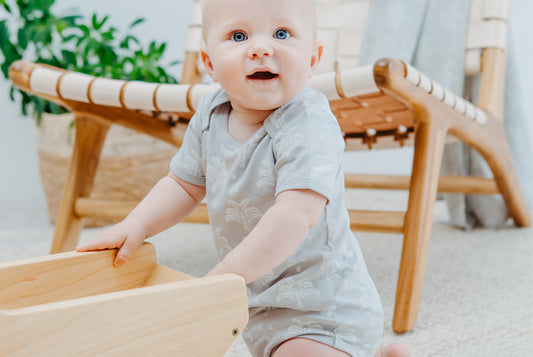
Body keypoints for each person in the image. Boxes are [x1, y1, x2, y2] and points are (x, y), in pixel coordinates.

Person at [77, 0, 412, 356]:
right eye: (239, 35)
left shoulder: (308, 122)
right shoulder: (210, 113)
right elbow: (183, 184)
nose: (261, 48)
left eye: (282, 34)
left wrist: (224, 276)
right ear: (209, 64)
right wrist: (137, 224)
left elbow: (295, 214)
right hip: (259, 300)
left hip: (323, 307)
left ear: (313, 59)